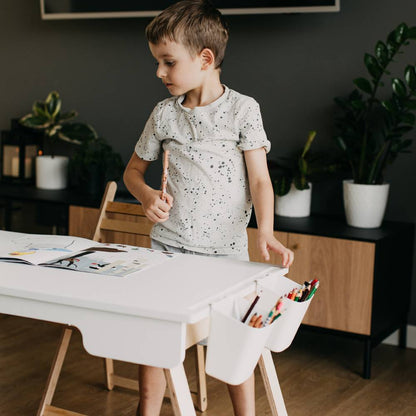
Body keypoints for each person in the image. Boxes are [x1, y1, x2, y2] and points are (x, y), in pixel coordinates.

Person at [123, 1, 294, 414]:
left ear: (205, 59)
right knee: (156, 339)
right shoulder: (163, 115)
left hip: (226, 257)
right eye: (157, 63)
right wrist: (147, 197)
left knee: (235, 349)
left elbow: (259, 180)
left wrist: (266, 232)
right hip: (168, 250)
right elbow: (132, 171)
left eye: (167, 62)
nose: (159, 73)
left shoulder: (242, 110)